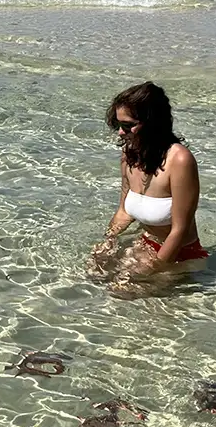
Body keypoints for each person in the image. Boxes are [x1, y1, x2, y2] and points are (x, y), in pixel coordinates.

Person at [88, 81, 207, 283]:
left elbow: (180, 230)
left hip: (179, 255)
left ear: (153, 123)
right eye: (119, 125)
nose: (120, 133)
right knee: (93, 274)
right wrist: (107, 241)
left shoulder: (179, 160)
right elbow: (124, 212)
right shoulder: (129, 155)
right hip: (146, 245)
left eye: (128, 126)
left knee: (121, 291)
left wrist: (150, 272)